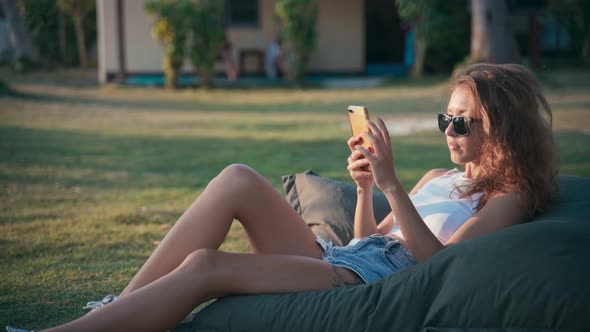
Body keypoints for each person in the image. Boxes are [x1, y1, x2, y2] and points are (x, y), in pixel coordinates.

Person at [7, 63, 557, 332]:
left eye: (463, 120)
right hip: (350, 259)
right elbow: (370, 239)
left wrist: (391, 184)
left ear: (502, 126)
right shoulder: (438, 174)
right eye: (446, 117)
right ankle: (119, 310)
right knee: (238, 177)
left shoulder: (509, 195)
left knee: (205, 265)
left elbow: (437, 270)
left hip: (372, 282)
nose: (449, 129)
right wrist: (368, 189)